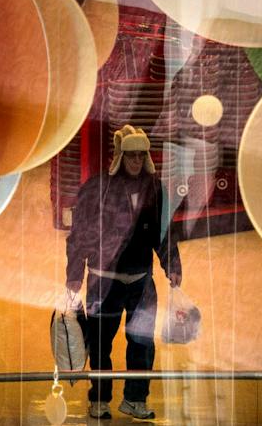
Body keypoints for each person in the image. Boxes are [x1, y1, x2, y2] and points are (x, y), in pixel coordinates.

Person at [66, 125, 182, 421]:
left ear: (146, 157)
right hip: (104, 281)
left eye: (141, 155)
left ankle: (135, 399)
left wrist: (173, 267)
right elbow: (80, 235)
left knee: (142, 345)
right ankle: (100, 400)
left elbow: (164, 233)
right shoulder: (98, 188)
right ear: (121, 156)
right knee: (101, 345)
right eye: (131, 155)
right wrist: (74, 276)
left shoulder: (156, 189)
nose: (135, 161)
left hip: (141, 281)